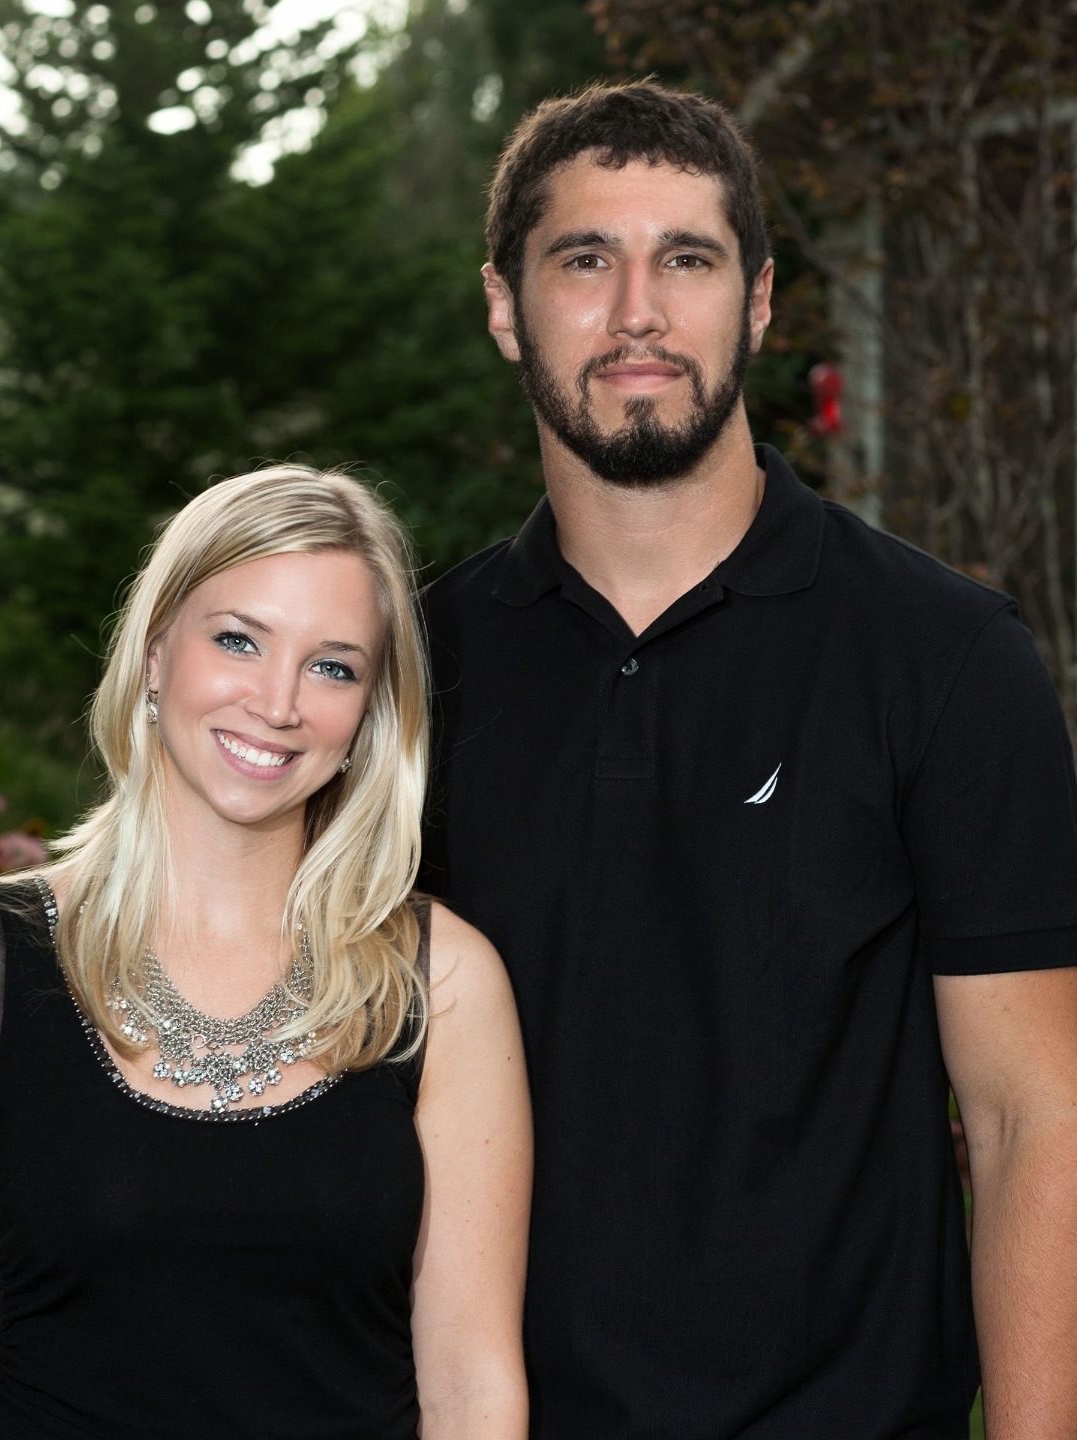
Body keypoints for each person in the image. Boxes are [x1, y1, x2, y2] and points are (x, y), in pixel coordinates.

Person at [420, 80, 1077, 1439]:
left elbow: (1034, 1119)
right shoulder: (414, 670)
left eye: (689, 260)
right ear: (503, 306)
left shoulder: (945, 658)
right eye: (584, 260)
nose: (638, 313)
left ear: (761, 300)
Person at [0, 466, 532, 1440]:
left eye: (333, 667)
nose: (278, 702)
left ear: (370, 714)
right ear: (156, 651)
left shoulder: (443, 982)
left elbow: (472, 1393)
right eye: (239, 640)